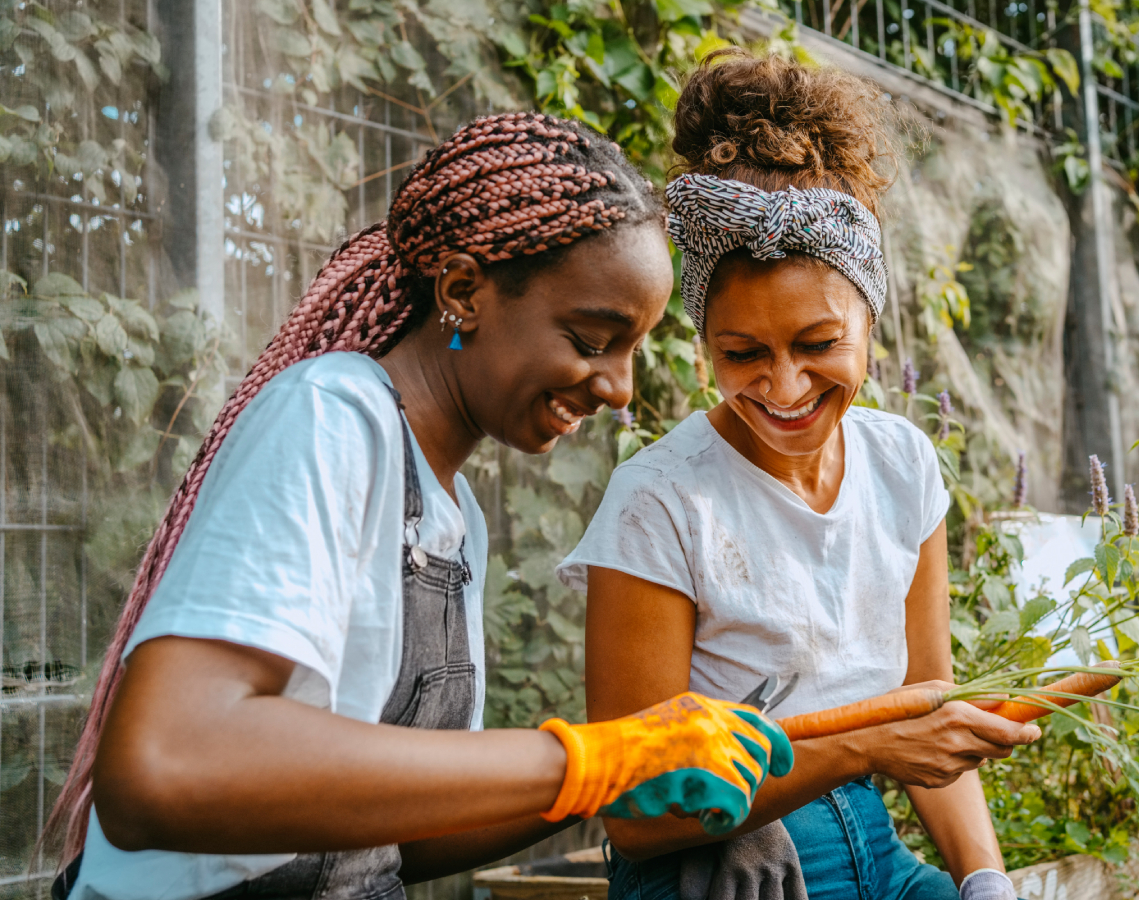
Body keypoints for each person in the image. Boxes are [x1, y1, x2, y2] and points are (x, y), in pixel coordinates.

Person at [47, 112, 792, 900]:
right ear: (464, 291)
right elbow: (167, 765)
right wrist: (591, 756)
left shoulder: (451, 511)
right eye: (589, 338)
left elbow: (404, 834)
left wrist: (615, 777)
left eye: (632, 348)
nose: (619, 388)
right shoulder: (332, 418)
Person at [563, 52, 1036, 900]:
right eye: (742, 354)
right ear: (705, 342)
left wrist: (985, 881)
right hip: (723, 867)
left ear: (870, 318)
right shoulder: (661, 503)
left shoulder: (902, 467)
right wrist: (857, 752)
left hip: (877, 851)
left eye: (819, 344)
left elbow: (926, 703)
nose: (783, 388)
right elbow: (633, 811)